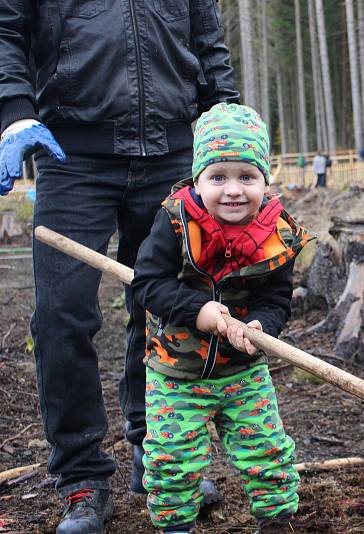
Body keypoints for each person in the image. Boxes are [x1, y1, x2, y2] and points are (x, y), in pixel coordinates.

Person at [0, 2, 238, 532]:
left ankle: (158, 455)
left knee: (171, 309)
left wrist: (226, 114)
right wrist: (15, 112)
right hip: (70, 154)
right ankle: (82, 480)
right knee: (61, 316)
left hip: (174, 154)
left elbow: (206, 38)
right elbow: (6, 30)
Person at [133, 103, 312, 534]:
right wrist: (200, 311)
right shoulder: (175, 223)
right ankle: (176, 526)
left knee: (267, 451)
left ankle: (275, 521)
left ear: (264, 181)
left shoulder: (277, 236)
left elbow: (276, 298)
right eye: (219, 177)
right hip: (176, 371)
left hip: (243, 371)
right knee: (172, 459)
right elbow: (146, 285)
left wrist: (262, 327)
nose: (233, 190)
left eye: (247, 177)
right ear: (197, 180)